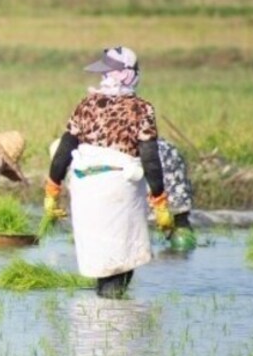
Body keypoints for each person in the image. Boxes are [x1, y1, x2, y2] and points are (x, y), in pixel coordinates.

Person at [43, 45, 174, 298]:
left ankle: (99, 323)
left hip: (85, 190)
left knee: (101, 260)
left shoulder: (86, 105)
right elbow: (150, 158)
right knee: (122, 262)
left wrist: (52, 191)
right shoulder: (141, 109)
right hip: (119, 191)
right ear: (130, 74)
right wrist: (160, 202)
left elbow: (64, 149)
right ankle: (113, 322)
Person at [48, 135, 197, 251]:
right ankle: (182, 253)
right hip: (160, 155)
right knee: (178, 225)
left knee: (124, 228)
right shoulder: (94, 146)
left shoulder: (84, 166)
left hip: (146, 163)